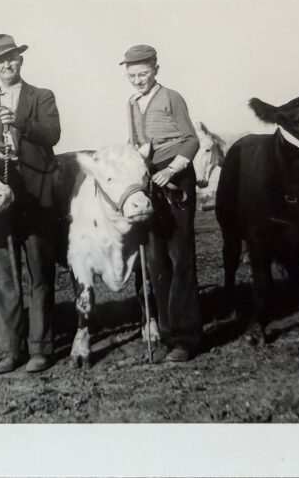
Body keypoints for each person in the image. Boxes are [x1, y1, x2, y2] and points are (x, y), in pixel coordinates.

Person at [0, 34, 61, 374]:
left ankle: (41, 348)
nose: (6, 65)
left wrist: (20, 124)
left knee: (40, 275)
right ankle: (11, 350)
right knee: (3, 278)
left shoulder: (42, 96)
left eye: (11, 58)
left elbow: (52, 135)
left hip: (37, 199)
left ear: (20, 61)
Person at [121, 44, 203, 363]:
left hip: (175, 179)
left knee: (179, 255)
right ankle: (168, 333)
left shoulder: (172, 97)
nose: (138, 80)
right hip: (148, 182)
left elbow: (192, 139)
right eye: (132, 76)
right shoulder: (130, 103)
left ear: (156, 69)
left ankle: (189, 337)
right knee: (156, 259)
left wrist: (171, 169)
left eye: (143, 74)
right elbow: (134, 143)